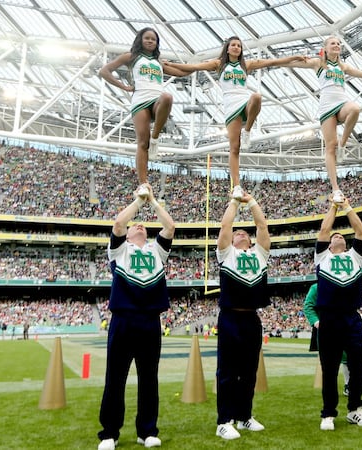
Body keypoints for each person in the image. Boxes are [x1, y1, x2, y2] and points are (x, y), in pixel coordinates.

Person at [165, 37, 306, 200]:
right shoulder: (219, 64)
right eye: (233, 45)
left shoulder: (246, 65)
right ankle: (237, 185)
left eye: (239, 46)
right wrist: (172, 65)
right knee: (234, 148)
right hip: (230, 106)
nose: (236, 47)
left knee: (257, 97)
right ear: (227, 48)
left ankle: (247, 130)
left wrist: (293, 58)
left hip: (245, 102)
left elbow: (272, 62)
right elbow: (193, 67)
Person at [98, 184, 175, 450]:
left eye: (143, 225)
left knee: (149, 379)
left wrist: (152, 201)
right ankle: (109, 433)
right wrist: (138, 202)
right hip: (123, 320)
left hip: (150, 321)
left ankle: (147, 431)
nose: (139, 225)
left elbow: (170, 227)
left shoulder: (157, 251)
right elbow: (119, 222)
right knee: (115, 379)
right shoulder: (119, 251)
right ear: (128, 236)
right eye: (135, 226)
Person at [285, 36, 362, 204]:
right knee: (330, 147)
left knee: (355, 109)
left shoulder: (343, 66)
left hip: (342, 103)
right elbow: (291, 64)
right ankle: (335, 189)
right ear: (325, 48)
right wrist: (274, 61)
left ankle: (343, 143)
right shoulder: (318, 63)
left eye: (338, 43)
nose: (336, 45)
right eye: (333, 43)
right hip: (326, 107)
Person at [99, 27, 188, 193]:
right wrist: (124, 86)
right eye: (147, 38)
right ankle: (143, 184)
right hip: (140, 101)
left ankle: (156, 137)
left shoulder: (158, 62)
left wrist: (203, 67)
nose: (150, 41)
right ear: (140, 39)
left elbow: (181, 73)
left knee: (167, 97)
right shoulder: (131, 56)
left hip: (156, 100)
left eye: (153, 39)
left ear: (157, 43)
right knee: (142, 142)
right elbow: (104, 71)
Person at [213, 192, 270, 440]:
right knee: (226, 371)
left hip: (251, 318)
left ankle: (244, 416)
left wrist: (253, 202)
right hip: (229, 317)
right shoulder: (227, 254)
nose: (241, 233)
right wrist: (235, 201)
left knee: (249, 371)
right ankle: (224, 420)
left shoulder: (259, 255)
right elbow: (226, 225)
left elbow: (262, 225)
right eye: (238, 233)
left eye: (244, 234)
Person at [313, 195, 362, 430]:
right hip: (328, 318)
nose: (338, 235)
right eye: (334, 236)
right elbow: (325, 228)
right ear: (328, 245)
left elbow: (360, 230)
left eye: (341, 236)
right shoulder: (322, 257)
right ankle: (328, 413)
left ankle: (355, 409)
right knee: (330, 368)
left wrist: (347, 206)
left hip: (351, 317)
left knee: (359, 365)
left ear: (346, 245)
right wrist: (333, 206)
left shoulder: (354, 257)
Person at [303, 283, 351, 396]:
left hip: (343, 327)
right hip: (325, 330)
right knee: (328, 362)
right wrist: (316, 321)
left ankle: (348, 385)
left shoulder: (343, 286)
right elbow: (308, 306)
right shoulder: (316, 288)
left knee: (347, 358)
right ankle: (330, 390)